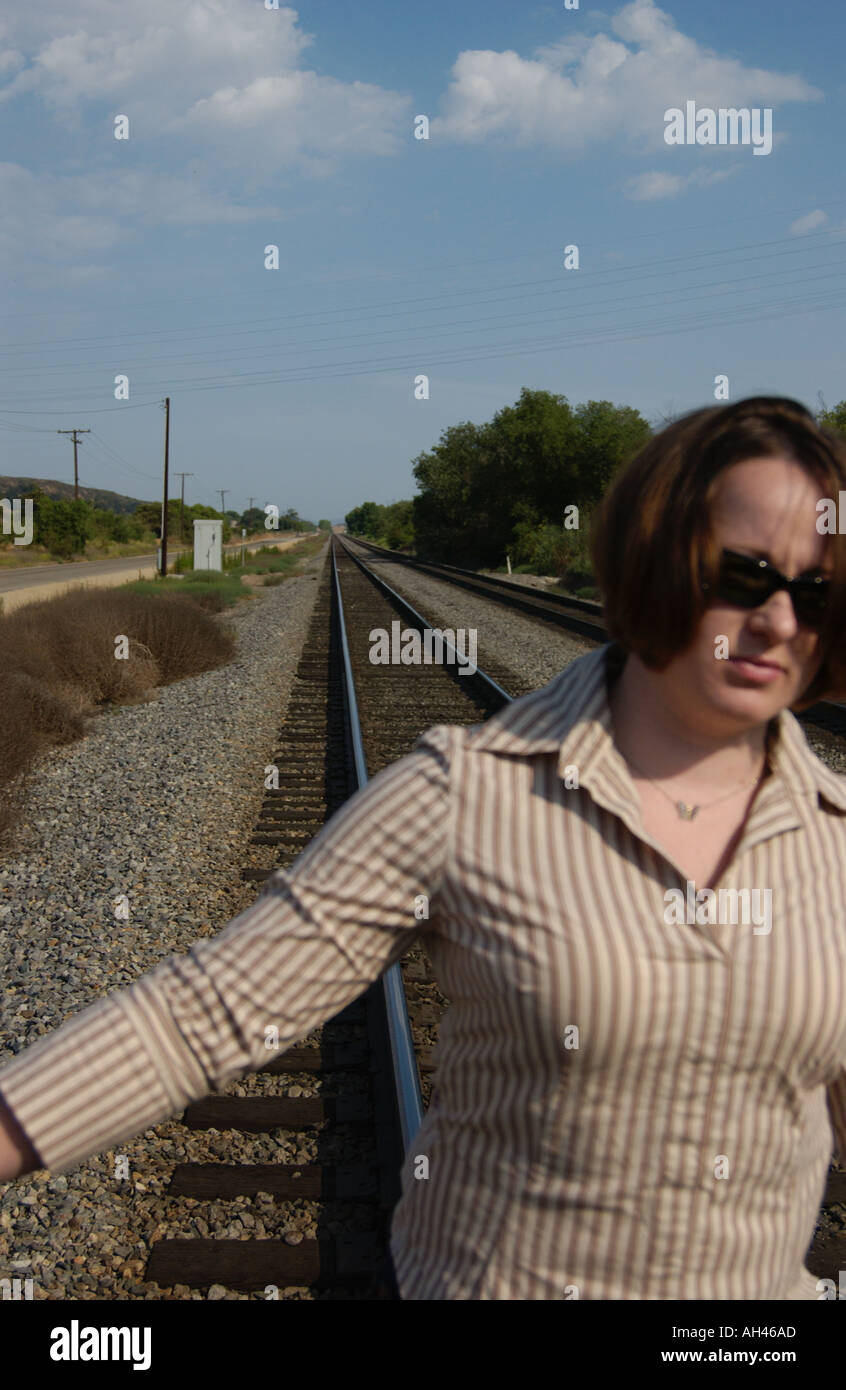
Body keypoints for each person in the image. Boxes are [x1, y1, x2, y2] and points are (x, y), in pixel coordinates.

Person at [2, 395, 846, 1301]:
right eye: (745, 575)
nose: (780, 620)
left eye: (816, 590)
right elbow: (206, 1012)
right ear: (657, 556)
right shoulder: (467, 793)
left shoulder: (834, 838)